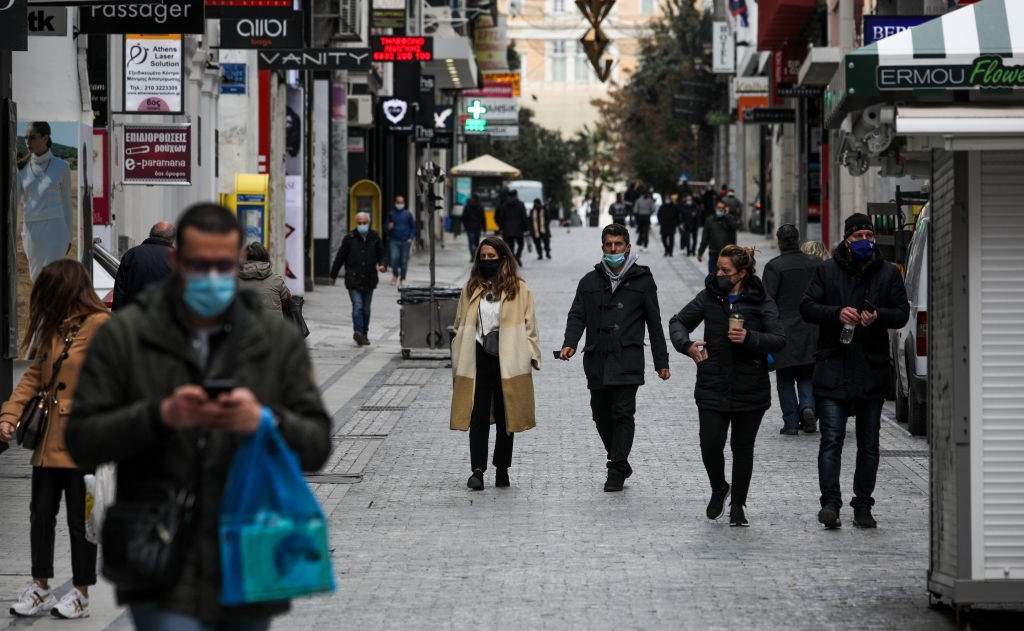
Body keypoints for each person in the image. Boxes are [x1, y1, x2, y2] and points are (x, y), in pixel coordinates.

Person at [66, 203, 331, 628]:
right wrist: (159, 416)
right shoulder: (127, 336)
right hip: (158, 551)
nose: (210, 277)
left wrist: (265, 423)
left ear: (238, 264)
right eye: (198, 265)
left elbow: (317, 444)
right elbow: (80, 438)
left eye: (222, 265)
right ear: (175, 261)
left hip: (247, 548)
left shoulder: (273, 340)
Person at [0, 260, 109, 620]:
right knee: (41, 515)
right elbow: (35, 375)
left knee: (81, 522)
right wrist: (9, 414)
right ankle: (40, 586)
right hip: (48, 442)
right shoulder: (54, 329)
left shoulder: (100, 326)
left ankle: (80, 593)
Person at [800, 213, 909, 530]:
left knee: (869, 444)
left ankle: (863, 505)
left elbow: (901, 313)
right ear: (846, 239)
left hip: (871, 370)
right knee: (831, 440)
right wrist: (837, 313)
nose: (864, 241)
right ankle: (830, 504)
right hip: (833, 365)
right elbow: (807, 307)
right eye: (858, 235)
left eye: (868, 235)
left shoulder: (888, 273)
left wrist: (878, 316)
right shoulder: (826, 270)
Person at [669, 246, 785, 527]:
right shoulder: (710, 295)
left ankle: (738, 505)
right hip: (713, 382)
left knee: (742, 448)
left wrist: (749, 337)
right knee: (710, 444)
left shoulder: (760, 300)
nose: (718, 275)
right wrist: (688, 345)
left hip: (750, 386)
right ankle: (719, 486)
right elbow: (678, 321)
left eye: (725, 271)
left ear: (742, 273)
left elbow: (779, 338)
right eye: (717, 269)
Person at [560, 224, 671, 492]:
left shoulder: (643, 281)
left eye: (618, 244)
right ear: (602, 248)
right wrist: (570, 344)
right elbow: (577, 314)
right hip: (597, 358)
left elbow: (654, 323)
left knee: (622, 413)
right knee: (600, 414)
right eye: (609, 245)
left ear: (628, 247)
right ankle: (621, 461)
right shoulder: (589, 281)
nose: (613, 249)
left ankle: (615, 466)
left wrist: (661, 362)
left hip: (627, 358)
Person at [449, 237, 540, 490]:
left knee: (506, 414)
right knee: (477, 414)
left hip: (508, 358)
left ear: (503, 257)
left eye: (493, 256)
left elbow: (530, 325)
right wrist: (456, 351)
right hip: (477, 357)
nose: (488, 261)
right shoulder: (471, 288)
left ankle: (502, 468)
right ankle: (477, 469)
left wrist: (531, 354)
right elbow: (459, 323)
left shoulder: (519, 289)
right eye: (484, 257)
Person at [763, 225, 821, 435]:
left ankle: (790, 422)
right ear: (798, 239)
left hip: (784, 330)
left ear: (779, 242)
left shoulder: (774, 267)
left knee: (785, 377)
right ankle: (807, 407)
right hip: (811, 328)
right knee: (806, 373)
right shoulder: (813, 263)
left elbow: (767, 300)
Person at [19, 122, 73, 281]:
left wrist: (69, 236)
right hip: (31, 230)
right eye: (25, 138)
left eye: (32, 137)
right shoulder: (21, 168)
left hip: (56, 229)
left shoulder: (62, 166)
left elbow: (67, 204)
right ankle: (38, 307)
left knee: (53, 277)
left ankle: (55, 306)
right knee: (36, 278)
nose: (27, 142)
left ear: (45, 138)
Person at [331, 212, 387, 346]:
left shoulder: (375, 238)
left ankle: (364, 334)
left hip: (369, 279)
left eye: (364, 223)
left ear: (369, 223)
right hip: (353, 279)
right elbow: (340, 257)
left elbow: (382, 255)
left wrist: (383, 265)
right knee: (357, 306)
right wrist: (333, 275)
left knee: (366, 309)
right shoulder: (349, 238)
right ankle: (358, 332)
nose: (362, 225)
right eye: (359, 223)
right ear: (356, 223)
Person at [112, 221, 176, 310]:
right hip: (166, 318)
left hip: (133, 317)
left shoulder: (131, 254)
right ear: (172, 239)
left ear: (150, 234)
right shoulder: (177, 259)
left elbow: (119, 292)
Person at [238, 241, 292, 316]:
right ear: (265, 257)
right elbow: (288, 301)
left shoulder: (234, 282)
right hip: (274, 327)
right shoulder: (277, 280)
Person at [698, 200, 738, 275]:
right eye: (718, 208)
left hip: (727, 255)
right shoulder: (709, 220)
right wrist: (700, 252)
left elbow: (735, 226)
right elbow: (705, 238)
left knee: (725, 277)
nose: (720, 210)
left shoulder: (729, 219)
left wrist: (727, 216)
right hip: (714, 253)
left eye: (722, 208)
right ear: (715, 208)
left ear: (725, 209)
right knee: (712, 276)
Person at [387, 195, 415, 287]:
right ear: (395, 203)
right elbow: (385, 227)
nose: (400, 204)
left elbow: (413, 227)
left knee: (404, 260)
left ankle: (402, 278)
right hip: (394, 240)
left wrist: (411, 238)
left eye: (401, 202)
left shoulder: (408, 214)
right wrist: (389, 227)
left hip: (405, 241)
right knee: (394, 258)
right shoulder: (391, 214)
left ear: (404, 203)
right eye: (398, 202)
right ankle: (395, 275)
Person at [495, 190, 528, 266]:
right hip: (519, 229)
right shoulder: (521, 204)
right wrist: (526, 228)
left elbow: (500, 218)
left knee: (510, 245)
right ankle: (518, 256)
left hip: (507, 230)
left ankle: (512, 258)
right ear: (516, 195)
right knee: (521, 244)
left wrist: (501, 227)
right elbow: (524, 217)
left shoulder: (504, 205)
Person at [461, 196, 485, 261]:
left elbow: (464, 217)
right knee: (476, 243)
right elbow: (483, 218)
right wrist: (484, 227)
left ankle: (472, 256)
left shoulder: (467, 206)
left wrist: (465, 226)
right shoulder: (480, 207)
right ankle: (476, 256)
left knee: (471, 243)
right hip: (477, 228)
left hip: (469, 228)